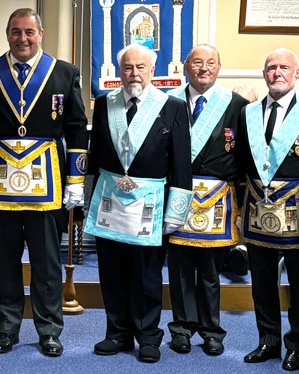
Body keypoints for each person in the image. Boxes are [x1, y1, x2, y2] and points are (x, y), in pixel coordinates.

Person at [0, 8, 86, 357]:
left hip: (47, 184)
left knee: (47, 264)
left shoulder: (65, 73)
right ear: (7, 34)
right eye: (16, 32)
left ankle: (49, 330)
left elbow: (76, 126)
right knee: (4, 262)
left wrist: (76, 179)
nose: (23, 39)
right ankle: (7, 329)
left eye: (29, 32)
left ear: (41, 34)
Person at [86, 44, 192, 364]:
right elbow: (96, 156)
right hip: (111, 198)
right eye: (128, 68)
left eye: (140, 68)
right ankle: (117, 332)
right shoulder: (105, 103)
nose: (134, 74)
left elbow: (181, 164)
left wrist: (177, 211)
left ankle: (148, 336)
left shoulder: (171, 107)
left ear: (151, 71)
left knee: (147, 274)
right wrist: (86, 196)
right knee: (112, 270)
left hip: (151, 202)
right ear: (120, 71)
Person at [237, 48, 299, 372]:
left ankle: (296, 346)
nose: (277, 73)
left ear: (297, 72)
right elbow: (244, 159)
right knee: (261, 280)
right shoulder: (249, 113)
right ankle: (268, 341)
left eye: (284, 67)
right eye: (271, 68)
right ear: (264, 74)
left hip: (297, 206)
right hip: (258, 203)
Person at [165, 44, 248, 358]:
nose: (203, 68)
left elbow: (245, 156)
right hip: (178, 196)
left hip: (217, 200)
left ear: (219, 66)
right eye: (197, 63)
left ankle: (212, 331)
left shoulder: (237, 105)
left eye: (210, 62)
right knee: (180, 269)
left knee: (211, 272)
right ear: (186, 67)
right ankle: (182, 329)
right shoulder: (168, 102)